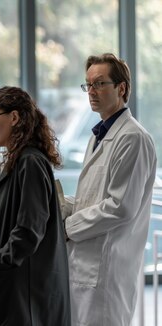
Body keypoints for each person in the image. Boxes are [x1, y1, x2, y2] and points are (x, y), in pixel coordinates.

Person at [63, 53, 157, 325]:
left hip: (107, 270)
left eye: (99, 84)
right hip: (86, 266)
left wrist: (67, 226)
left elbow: (120, 207)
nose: (91, 92)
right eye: (88, 85)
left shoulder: (133, 138)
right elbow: (92, 198)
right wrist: (57, 203)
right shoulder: (98, 135)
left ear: (121, 88)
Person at [0, 86, 70, 325]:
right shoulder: (20, 159)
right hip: (19, 286)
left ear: (14, 117)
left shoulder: (30, 161)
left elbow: (29, 230)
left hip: (26, 290)